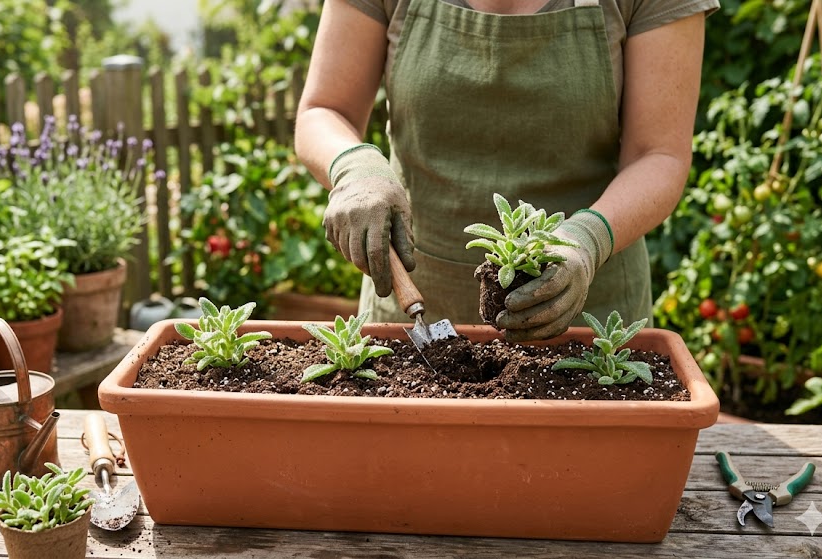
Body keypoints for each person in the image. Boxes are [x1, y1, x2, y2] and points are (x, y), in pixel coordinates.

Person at [294, 0, 718, 341]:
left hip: (585, 313)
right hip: (415, 307)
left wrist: (587, 241)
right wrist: (355, 167)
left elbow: (658, 154)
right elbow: (324, 109)